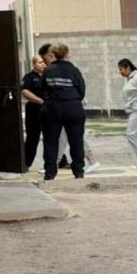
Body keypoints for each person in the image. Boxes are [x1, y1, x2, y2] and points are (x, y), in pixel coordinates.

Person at [40, 43, 86, 180]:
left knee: (50, 141)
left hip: (52, 108)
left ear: (53, 54)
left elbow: (42, 89)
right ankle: (78, 171)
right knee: (76, 141)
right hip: (73, 107)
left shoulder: (48, 70)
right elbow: (82, 90)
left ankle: (50, 173)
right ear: (67, 54)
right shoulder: (74, 70)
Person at [20, 54, 46, 169]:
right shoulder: (29, 77)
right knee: (32, 138)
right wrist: (39, 100)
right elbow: (24, 91)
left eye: (44, 62)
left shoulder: (48, 76)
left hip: (48, 110)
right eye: (40, 62)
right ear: (34, 64)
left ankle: (59, 161)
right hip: (34, 110)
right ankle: (26, 163)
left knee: (51, 137)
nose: (43, 64)